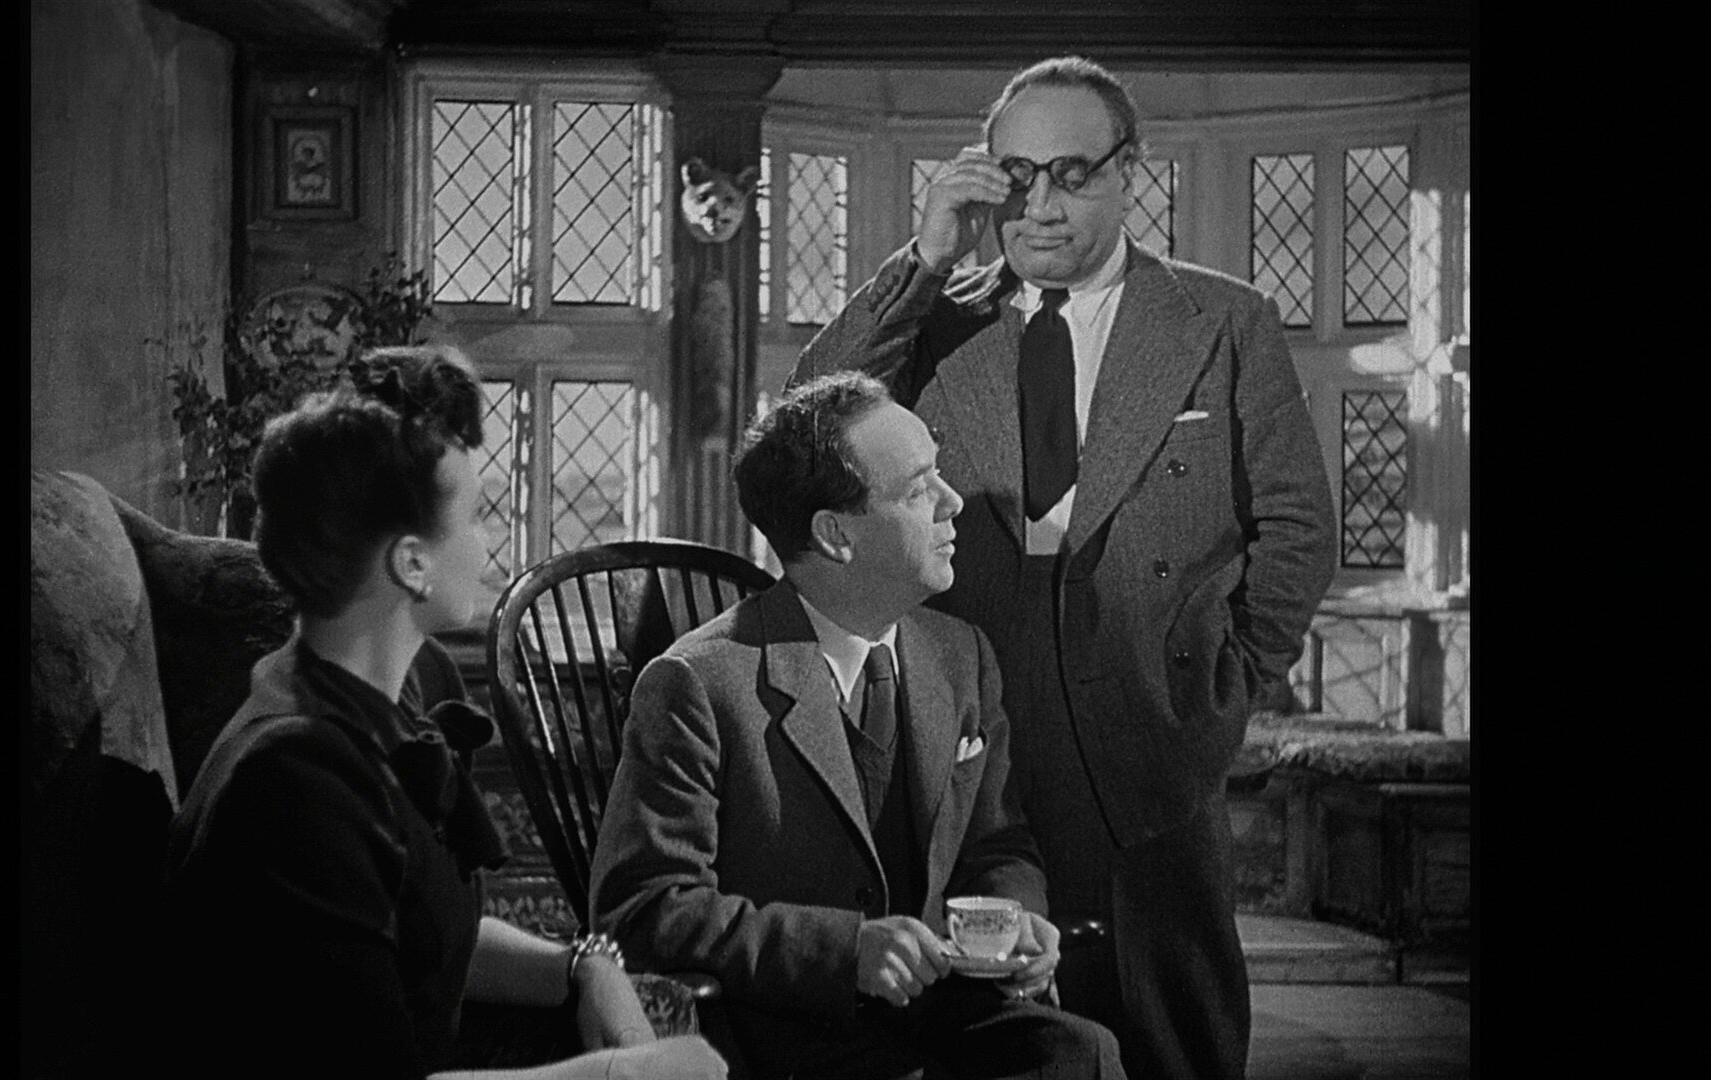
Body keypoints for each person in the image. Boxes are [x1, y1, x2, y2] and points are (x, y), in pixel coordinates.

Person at [791, 56, 1338, 1080]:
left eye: (1071, 174)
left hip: (1152, 708)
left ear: (1131, 170)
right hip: (968, 707)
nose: (1038, 205)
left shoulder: (1224, 321)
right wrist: (925, 256)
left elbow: (1299, 529)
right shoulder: (935, 319)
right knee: (993, 1030)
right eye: (1015, 175)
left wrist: (1225, 684)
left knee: (1170, 1025)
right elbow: (806, 432)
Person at [161, 345, 728, 1080]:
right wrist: (630, 1074)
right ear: (412, 563)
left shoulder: (397, 690)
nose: (487, 541)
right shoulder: (294, 782)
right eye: (477, 514)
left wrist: (581, 965)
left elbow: (417, 936)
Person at [588, 373, 1126, 1080]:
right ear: (835, 535)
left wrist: (1012, 922)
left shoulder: (960, 655)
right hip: (785, 1030)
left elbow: (999, 844)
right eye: (919, 489)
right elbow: (644, 909)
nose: (953, 502)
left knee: (1081, 1052)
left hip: (939, 1008)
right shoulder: (698, 684)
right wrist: (844, 952)